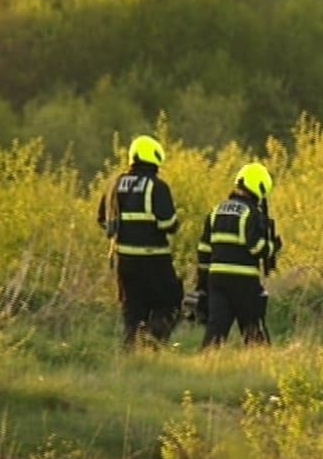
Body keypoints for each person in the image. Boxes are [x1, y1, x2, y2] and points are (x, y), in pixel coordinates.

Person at [97, 134, 184, 349]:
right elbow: (169, 224)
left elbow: (102, 220)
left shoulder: (114, 185)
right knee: (168, 304)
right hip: (154, 261)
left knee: (132, 312)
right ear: (153, 157)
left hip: (123, 262)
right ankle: (152, 347)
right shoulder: (156, 186)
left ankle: (130, 356)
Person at [195, 162, 282, 348]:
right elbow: (257, 248)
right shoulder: (251, 213)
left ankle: (207, 365)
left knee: (216, 329)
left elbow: (203, 249)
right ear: (259, 186)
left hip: (217, 280)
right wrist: (273, 246)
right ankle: (261, 364)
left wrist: (202, 283)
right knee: (253, 328)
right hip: (244, 281)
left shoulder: (216, 210)